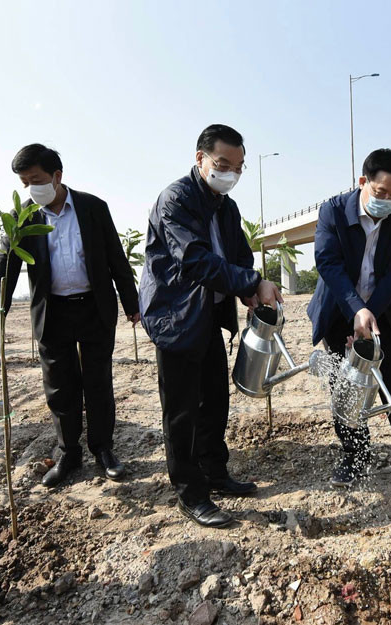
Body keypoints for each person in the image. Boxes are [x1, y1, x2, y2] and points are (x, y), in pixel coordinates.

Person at [139, 124, 283, 528]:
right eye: (222, 164)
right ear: (200, 158)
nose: (230, 174)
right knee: (182, 410)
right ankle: (190, 492)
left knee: (215, 400)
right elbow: (195, 261)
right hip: (177, 316)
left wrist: (248, 288)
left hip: (209, 315)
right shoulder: (176, 200)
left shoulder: (226, 205)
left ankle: (215, 473)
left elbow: (238, 256)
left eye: (237, 168)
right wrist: (252, 283)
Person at [0, 144, 139, 487]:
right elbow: (3, 266)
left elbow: (116, 258)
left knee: (98, 383)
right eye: (24, 182)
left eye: (35, 180)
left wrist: (132, 304)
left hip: (94, 308)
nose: (30, 188)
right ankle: (69, 453)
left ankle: (103, 449)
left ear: (57, 176)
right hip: (52, 313)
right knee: (59, 388)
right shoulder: (23, 217)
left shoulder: (93, 208)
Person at [307, 149, 391, 489]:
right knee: (345, 387)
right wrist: (354, 310)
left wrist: (370, 311)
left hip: (381, 308)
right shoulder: (332, 210)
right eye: (381, 192)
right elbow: (328, 263)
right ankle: (355, 454)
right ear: (363, 182)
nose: (389, 200)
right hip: (338, 309)